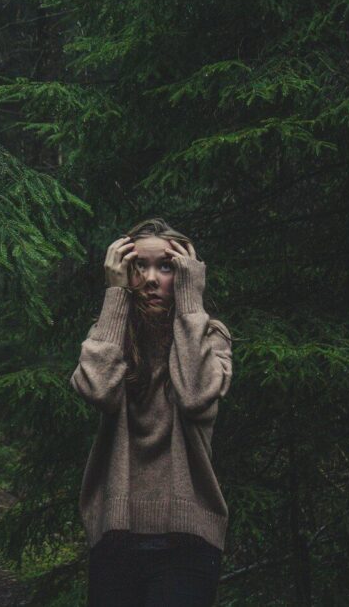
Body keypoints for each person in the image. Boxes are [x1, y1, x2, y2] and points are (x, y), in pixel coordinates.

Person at [69, 218, 234, 606]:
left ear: (185, 276)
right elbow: (96, 389)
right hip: (117, 534)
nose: (151, 278)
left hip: (188, 540)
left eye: (166, 267)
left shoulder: (210, 336)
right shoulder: (111, 332)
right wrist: (114, 297)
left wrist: (192, 305)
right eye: (138, 266)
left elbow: (195, 396)